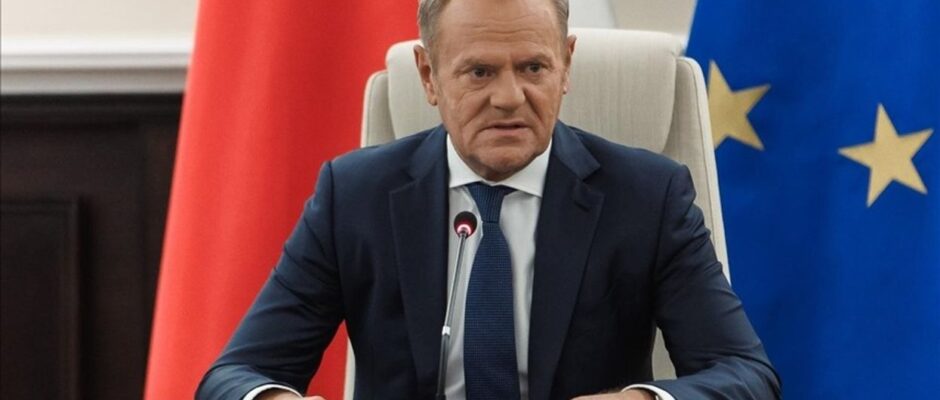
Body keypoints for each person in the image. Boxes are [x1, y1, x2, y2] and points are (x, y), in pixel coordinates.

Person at [197, 0, 781, 399]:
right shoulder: (355, 196)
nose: (509, 97)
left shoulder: (646, 196)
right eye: (479, 72)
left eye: (533, 68)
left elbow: (746, 376)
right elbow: (234, 375)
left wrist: (642, 399)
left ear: (566, 66)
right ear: (429, 75)